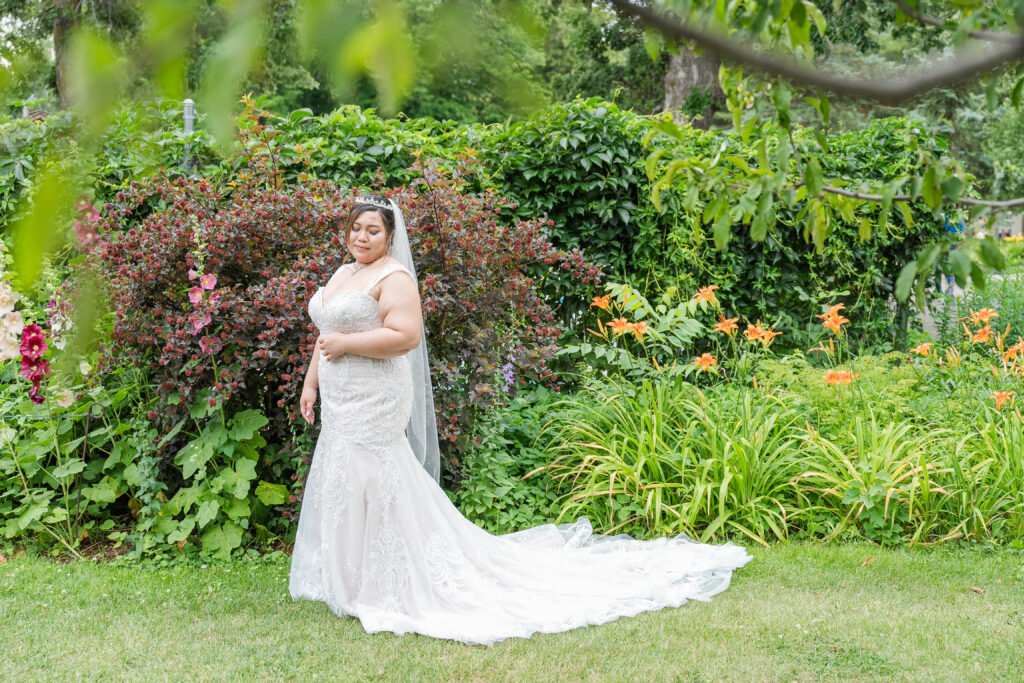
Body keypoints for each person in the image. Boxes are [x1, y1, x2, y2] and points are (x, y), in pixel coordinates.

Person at [288, 195, 751, 645]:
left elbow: (405, 336)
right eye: (355, 228)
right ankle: (349, 581)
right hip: (340, 397)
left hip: (375, 396)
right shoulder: (345, 272)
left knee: (375, 480)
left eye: (373, 230)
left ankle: (389, 581)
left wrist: (348, 347)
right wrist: (312, 384)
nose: (361, 236)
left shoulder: (395, 276)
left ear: (390, 236)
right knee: (346, 478)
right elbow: (327, 331)